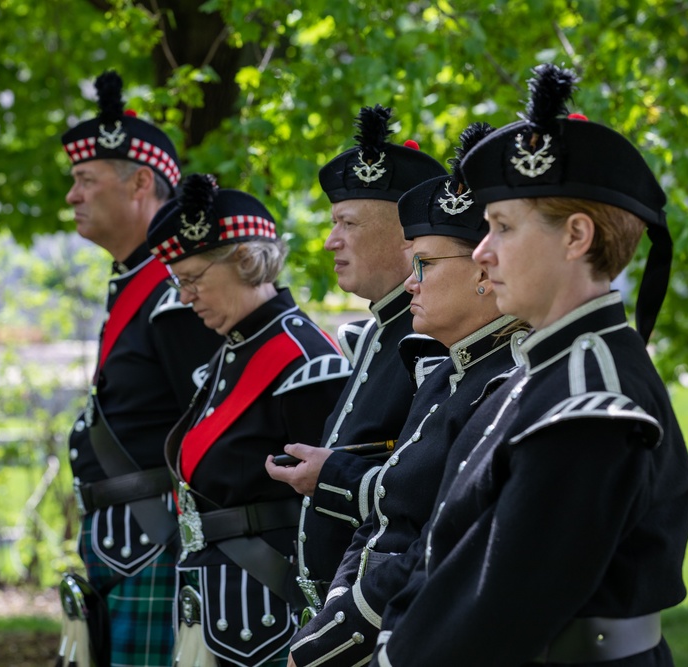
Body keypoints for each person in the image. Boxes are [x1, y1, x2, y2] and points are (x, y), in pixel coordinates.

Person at [373, 64, 688, 666]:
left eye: (502, 226)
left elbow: (498, 612)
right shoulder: (547, 368)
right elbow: (444, 548)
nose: (481, 251)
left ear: (576, 236)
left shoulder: (588, 401)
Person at [287, 123, 529, 666]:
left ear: (484, 272)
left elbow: (443, 538)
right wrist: (337, 606)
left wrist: (345, 630)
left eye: (425, 264)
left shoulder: (506, 376)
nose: (412, 281)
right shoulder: (447, 370)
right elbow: (384, 523)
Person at [146, 174, 351, 667]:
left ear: (244, 260)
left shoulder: (302, 359)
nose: (186, 295)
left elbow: (330, 509)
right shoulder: (230, 354)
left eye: (193, 278)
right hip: (217, 603)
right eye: (179, 282)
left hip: (268, 613)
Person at [60, 70, 222, 666]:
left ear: (140, 183)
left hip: (156, 544)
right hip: (125, 540)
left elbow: (212, 426)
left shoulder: (178, 291)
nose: (73, 196)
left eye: (85, 180)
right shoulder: (138, 280)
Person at [264, 104, 449, 618]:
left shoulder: (432, 338)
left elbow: (427, 490)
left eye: (346, 223)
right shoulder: (373, 335)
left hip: (384, 610)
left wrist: (333, 476)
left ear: (403, 235)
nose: (330, 241)